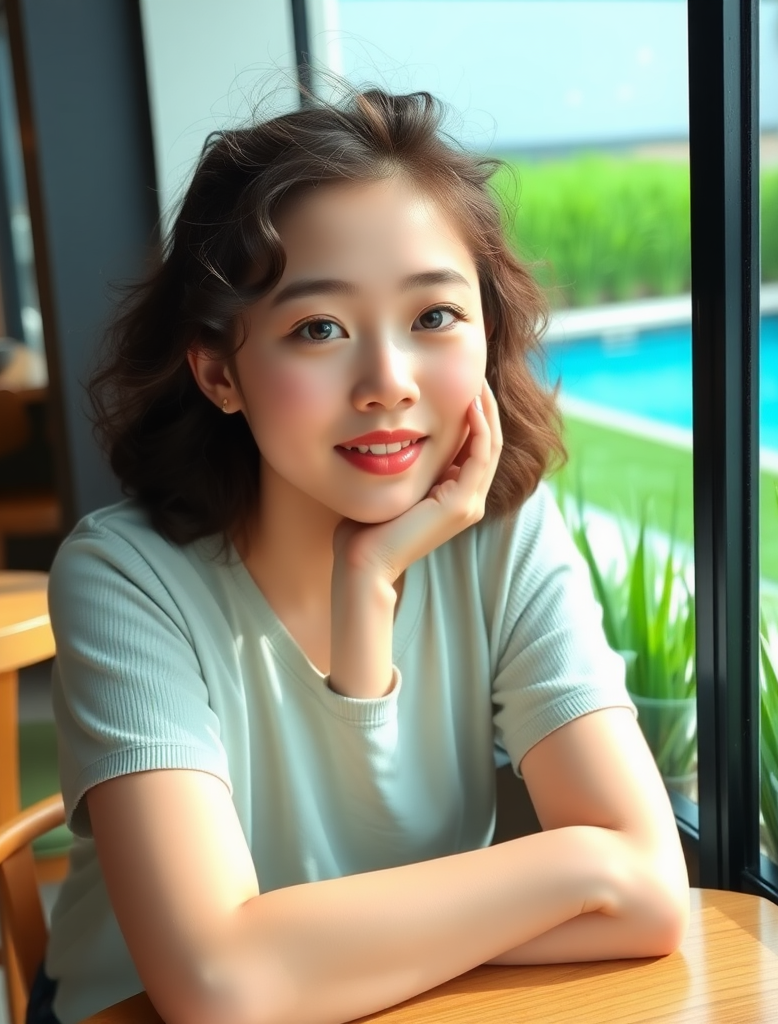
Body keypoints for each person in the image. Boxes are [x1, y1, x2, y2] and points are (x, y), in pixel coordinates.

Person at [34, 87, 690, 1024]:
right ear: (219, 370)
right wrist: (585, 861)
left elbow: (654, 892)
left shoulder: (506, 535)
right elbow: (216, 990)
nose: (387, 385)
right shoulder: (125, 579)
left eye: (433, 318)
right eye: (319, 329)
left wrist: (370, 579)